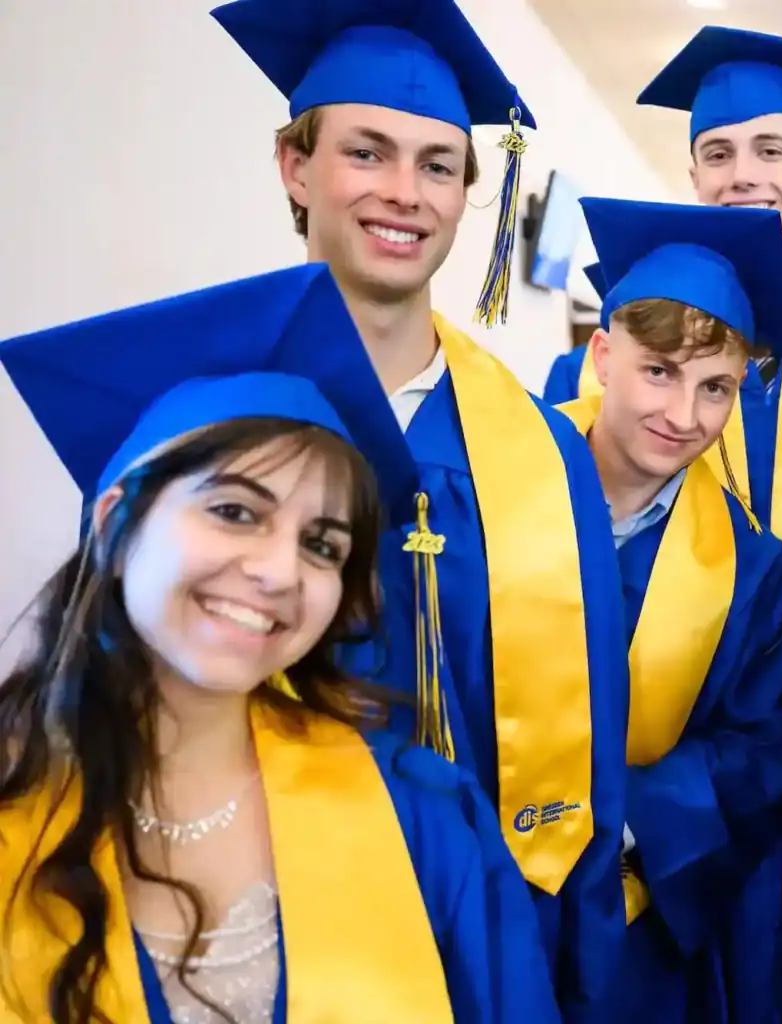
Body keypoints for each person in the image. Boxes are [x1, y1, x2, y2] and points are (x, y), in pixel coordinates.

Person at [0, 265, 558, 1024]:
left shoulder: (422, 813)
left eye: (322, 545)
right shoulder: (15, 799)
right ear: (113, 524)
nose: (277, 571)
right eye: (235, 511)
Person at [212, 1, 628, 1016]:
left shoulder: (544, 454)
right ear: (294, 167)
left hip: (500, 934)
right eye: (367, 152)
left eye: (438, 165)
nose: (405, 193)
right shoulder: (210, 433)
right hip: (272, 927)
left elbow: (593, 748)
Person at [557, 197, 782, 1023]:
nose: (683, 417)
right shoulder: (489, 497)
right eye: (659, 372)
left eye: (716, 389)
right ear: (603, 355)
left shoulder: (757, 573)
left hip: (636, 919)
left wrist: (618, 822)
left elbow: (760, 750)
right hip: (475, 884)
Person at [544, 26, 782, 571]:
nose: (743, 176)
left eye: (770, 151)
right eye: (719, 154)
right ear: (695, 176)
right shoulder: (590, 369)